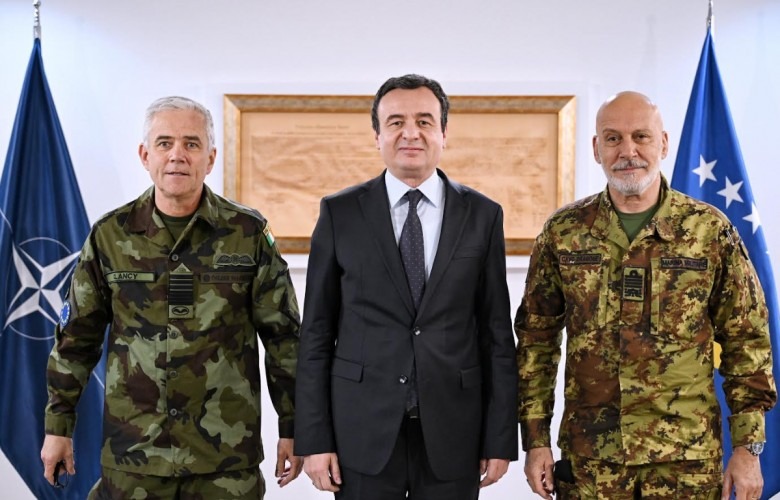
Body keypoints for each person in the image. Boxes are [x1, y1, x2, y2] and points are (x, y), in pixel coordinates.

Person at [516, 91, 777, 500]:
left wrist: (748, 448)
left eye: (641, 136)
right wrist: (535, 440)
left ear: (664, 143)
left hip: (686, 461)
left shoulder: (709, 230)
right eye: (613, 138)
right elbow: (536, 341)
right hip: (592, 462)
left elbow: (747, 341)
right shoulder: (564, 233)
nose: (628, 151)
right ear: (596, 148)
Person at [39, 96, 302, 499]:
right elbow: (77, 339)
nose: (177, 154)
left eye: (191, 143)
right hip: (134, 456)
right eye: (164, 143)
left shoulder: (247, 234)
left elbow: (285, 339)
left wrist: (295, 426)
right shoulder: (110, 235)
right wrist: (58, 426)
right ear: (145, 155)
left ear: (210, 158)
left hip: (224, 460)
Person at [294, 74, 518, 499]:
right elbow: (316, 333)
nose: (410, 133)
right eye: (396, 122)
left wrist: (500, 438)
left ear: (444, 134)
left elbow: (496, 335)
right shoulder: (340, 213)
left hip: (455, 432)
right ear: (377, 135)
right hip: (361, 432)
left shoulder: (482, 215)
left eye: (424, 121)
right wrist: (315, 438)